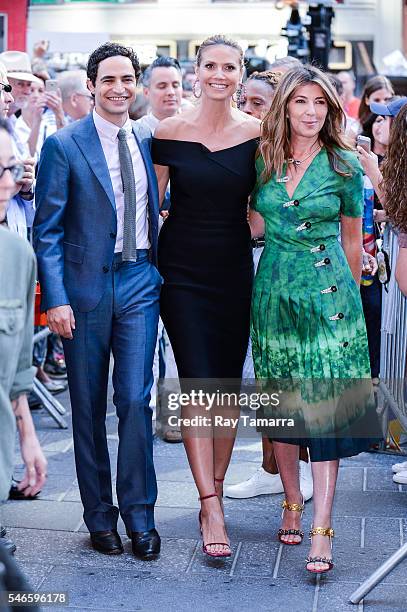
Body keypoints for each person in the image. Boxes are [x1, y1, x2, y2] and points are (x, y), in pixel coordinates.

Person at [33, 42, 161, 560]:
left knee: (134, 399)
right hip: (83, 291)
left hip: (138, 282)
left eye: (127, 78)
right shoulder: (64, 146)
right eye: (108, 79)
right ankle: (99, 517)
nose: (118, 88)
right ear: (91, 85)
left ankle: (140, 516)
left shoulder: (152, 140)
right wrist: (56, 298)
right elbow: (47, 231)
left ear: (137, 85)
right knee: (86, 408)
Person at [249, 64, 377, 573]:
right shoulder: (262, 157)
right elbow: (253, 222)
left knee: (324, 409)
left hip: (329, 297)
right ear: (285, 105)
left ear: (330, 109)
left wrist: (349, 313)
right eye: (300, 101)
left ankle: (323, 524)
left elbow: (351, 240)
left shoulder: (345, 163)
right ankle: (291, 499)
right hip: (275, 292)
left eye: (319, 103)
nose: (310, 111)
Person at [152, 34, 260, 558]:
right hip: (182, 273)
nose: (220, 74)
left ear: (241, 73)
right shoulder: (168, 132)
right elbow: (146, 212)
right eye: (211, 65)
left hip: (235, 270)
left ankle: (212, 490)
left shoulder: (261, 134)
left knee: (226, 388)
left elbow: (265, 211)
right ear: (196, 72)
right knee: (198, 384)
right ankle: (210, 502)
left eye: (230, 67)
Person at [225, 69, 313, 502]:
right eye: (246, 102)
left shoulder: (299, 152)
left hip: (295, 270)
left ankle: (304, 467)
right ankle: (270, 466)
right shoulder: (249, 150)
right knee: (266, 374)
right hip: (252, 264)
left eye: (258, 103)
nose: (248, 110)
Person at [0, 117, 47, 554]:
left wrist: (28, 438)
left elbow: (15, 370)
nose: (6, 183)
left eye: (11, 169)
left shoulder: (17, 254)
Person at [136, 56, 183, 443]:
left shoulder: (189, 131)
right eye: (162, 86)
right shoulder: (135, 135)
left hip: (182, 251)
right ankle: (145, 409)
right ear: (147, 91)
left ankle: (172, 415)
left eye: (176, 85)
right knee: (148, 338)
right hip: (141, 253)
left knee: (177, 335)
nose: (170, 92)